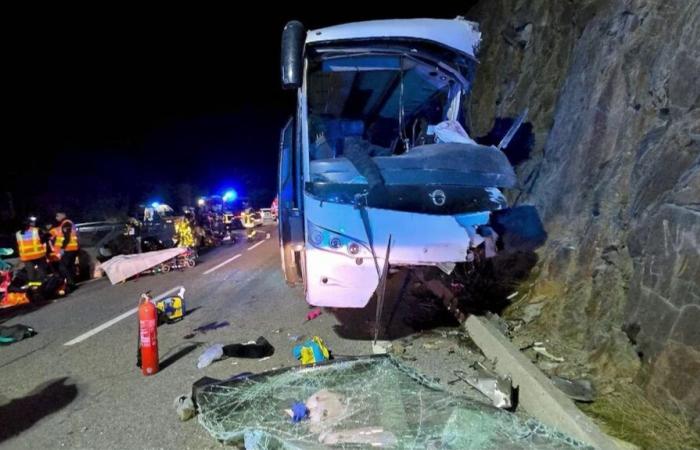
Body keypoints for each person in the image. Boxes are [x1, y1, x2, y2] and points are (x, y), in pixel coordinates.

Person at [16, 216, 50, 282]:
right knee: (42, 273)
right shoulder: (36, 230)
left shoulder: (17, 234)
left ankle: (34, 289)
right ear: (29, 223)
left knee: (31, 275)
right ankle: (44, 287)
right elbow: (46, 238)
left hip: (26, 257)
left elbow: (18, 245)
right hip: (38, 255)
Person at [50, 212, 79, 289]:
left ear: (63, 215)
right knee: (69, 266)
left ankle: (71, 283)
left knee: (62, 267)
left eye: (57, 216)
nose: (56, 218)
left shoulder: (66, 223)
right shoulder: (65, 224)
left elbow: (67, 237)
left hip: (69, 248)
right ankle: (72, 282)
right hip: (72, 248)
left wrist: (62, 248)